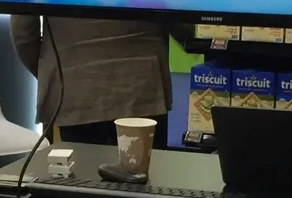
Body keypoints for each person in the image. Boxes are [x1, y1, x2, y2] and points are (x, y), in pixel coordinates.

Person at [10, 16, 172, 145]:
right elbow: (174, 8)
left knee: (83, 180)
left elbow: (22, 32)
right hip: (144, 83)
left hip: (75, 87)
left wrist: (55, 75)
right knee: (145, 179)